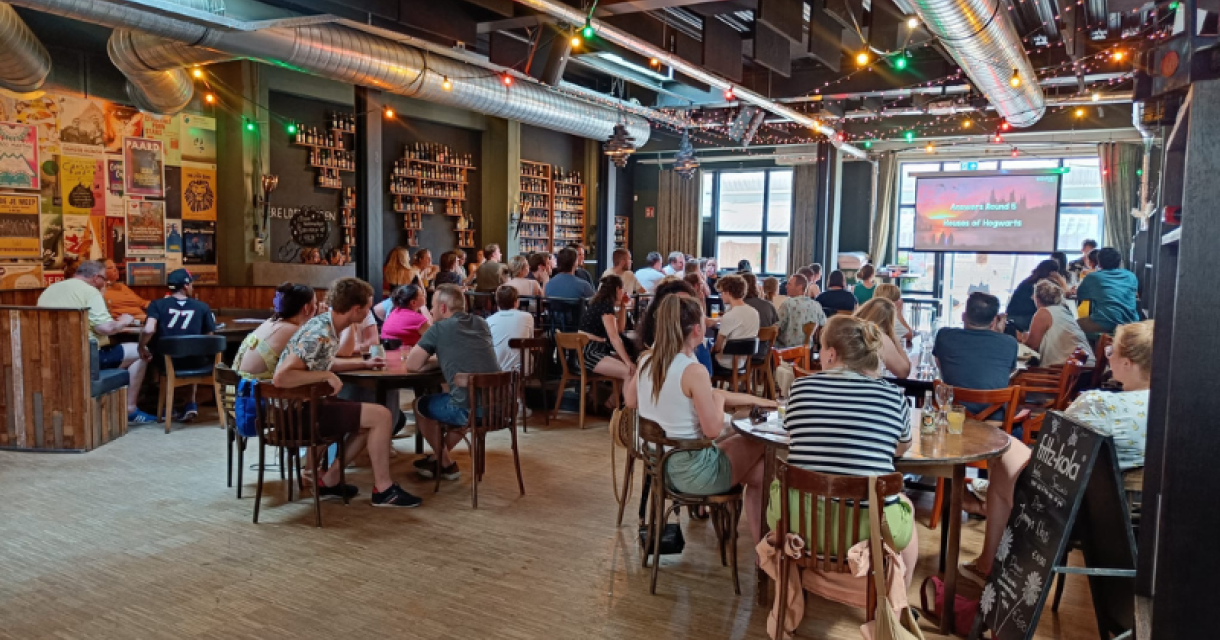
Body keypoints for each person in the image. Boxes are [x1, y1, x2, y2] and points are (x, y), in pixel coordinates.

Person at [961, 320, 1154, 587]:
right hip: (1119, 509)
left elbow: (1050, 447)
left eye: (1112, 352)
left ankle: (988, 559)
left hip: (1062, 500)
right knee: (1005, 463)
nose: (1109, 358)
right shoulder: (1167, 410)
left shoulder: (1099, 404)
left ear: (1128, 363)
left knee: (1003, 447)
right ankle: (987, 500)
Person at [623, 295, 775, 543]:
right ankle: (763, 549)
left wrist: (753, 400)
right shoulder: (693, 370)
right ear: (697, 329)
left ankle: (759, 546)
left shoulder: (647, 360)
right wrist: (720, 400)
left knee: (759, 472)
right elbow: (712, 429)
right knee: (760, 439)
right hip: (693, 475)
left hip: (660, 468)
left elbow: (630, 401)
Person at [770, 315, 917, 562]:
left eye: (820, 348)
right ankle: (897, 585)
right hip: (868, 531)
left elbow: (792, 434)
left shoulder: (801, 388)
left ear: (831, 354)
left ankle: (797, 574)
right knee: (905, 506)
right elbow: (901, 449)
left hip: (799, 524)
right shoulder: (893, 396)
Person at [273, 277, 421, 507]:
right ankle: (384, 489)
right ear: (355, 309)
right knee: (382, 416)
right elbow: (281, 377)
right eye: (367, 307)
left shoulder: (326, 324)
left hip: (304, 405)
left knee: (370, 420)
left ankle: (330, 480)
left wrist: (362, 364)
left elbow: (319, 361)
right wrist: (325, 375)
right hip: (296, 412)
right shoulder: (320, 332)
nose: (369, 312)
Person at [38, 260, 155, 424]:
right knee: (140, 351)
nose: (105, 283)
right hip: (85, 357)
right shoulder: (90, 292)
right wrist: (124, 321)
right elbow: (105, 328)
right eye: (104, 279)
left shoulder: (50, 289)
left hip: (52, 357)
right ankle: (130, 409)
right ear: (95, 278)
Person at [405, 284, 501, 480]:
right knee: (463, 398)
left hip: (468, 411)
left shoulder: (438, 328)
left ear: (442, 308)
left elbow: (412, 365)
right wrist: (442, 360)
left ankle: (445, 463)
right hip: (498, 408)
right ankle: (439, 459)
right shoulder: (481, 323)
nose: (430, 310)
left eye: (432, 306)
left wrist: (433, 362)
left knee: (420, 405)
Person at [137, 269, 216, 422]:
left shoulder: (157, 304)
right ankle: (191, 403)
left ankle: (167, 406)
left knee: (155, 358)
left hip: (166, 362)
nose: (193, 286)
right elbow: (210, 337)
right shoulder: (202, 307)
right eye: (191, 283)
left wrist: (141, 346)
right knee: (194, 352)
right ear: (186, 286)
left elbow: (148, 329)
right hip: (196, 362)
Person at [933, 292, 1018, 412]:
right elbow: (1005, 373)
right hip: (994, 420)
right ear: (993, 322)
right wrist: (999, 333)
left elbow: (939, 364)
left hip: (953, 415)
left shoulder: (944, 336)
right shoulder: (1010, 343)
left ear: (963, 316)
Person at [233, 283, 316, 382]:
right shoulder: (295, 331)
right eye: (315, 303)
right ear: (306, 308)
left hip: (235, 386)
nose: (316, 308)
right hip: (256, 390)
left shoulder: (270, 321)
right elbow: (315, 362)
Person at [1020, 280, 1095, 367]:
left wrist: (1022, 339)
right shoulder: (1064, 311)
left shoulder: (1043, 312)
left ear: (1037, 299)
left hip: (1065, 370)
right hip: (1088, 366)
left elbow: (1032, 347)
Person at [578, 275, 635, 384]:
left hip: (586, 352)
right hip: (589, 354)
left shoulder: (599, 304)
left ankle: (612, 396)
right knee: (629, 372)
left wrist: (623, 306)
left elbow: (619, 329)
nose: (624, 292)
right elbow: (614, 337)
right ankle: (620, 396)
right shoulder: (605, 307)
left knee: (628, 364)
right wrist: (628, 362)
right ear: (618, 289)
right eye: (623, 289)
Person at [1076, 247, 1139, 334]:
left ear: (1099, 263)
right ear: (1119, 262)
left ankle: (1094, 343)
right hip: (1130, 323)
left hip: (1104, 323)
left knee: (1073, 326)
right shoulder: (1131, 276)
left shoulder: (1093, 277)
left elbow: (1080, 295)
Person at [711, 274, 760, 376]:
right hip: (743, 361)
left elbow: (717, 348)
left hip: (727, 363)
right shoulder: (754, 312)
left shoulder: (730, 315)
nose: (721, 296)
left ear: (728, 292)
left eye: (721, 293)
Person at [854, 298, 911, 378]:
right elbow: (904, 372)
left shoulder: (847, 329)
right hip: (865, 384)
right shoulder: (878, 336)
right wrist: (893, 335)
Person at [1005, 259, 1067, 332]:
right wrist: (1061, 282)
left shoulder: (1030, 281)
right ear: (1052, 273)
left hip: (1014, 316)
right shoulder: (1039, 285)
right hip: (1021, 318)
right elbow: (1056, 300)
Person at [486, 285, 534, 375]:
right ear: (516, 302)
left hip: (498, 372)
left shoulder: (489, 320)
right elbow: (530, 341)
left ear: (497, 303)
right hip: (522, 372)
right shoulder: (527, 317)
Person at [776, 274, 827, 349]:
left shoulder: (787, 304)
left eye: (789, 284)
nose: (786, 286)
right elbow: (824, 326)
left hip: (787, 350)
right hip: (808, 349)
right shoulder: (816, 305)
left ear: (799, 287)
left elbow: (777, 328)